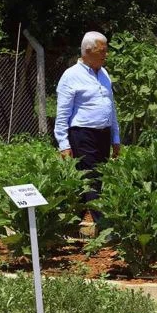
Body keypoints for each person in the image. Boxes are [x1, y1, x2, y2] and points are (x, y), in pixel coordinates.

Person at [54, 31, 121, 224]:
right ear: (88, 51)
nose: (105, 54)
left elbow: (111, 108)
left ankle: (68, 223)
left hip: (103, 135)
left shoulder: (104, 74)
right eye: (102, 51)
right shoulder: (70, 76)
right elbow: (62, 115)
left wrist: (115, 138)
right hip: (82, 135)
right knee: (92, 180)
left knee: (93, 180)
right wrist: (63, 144)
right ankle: (106, 229)